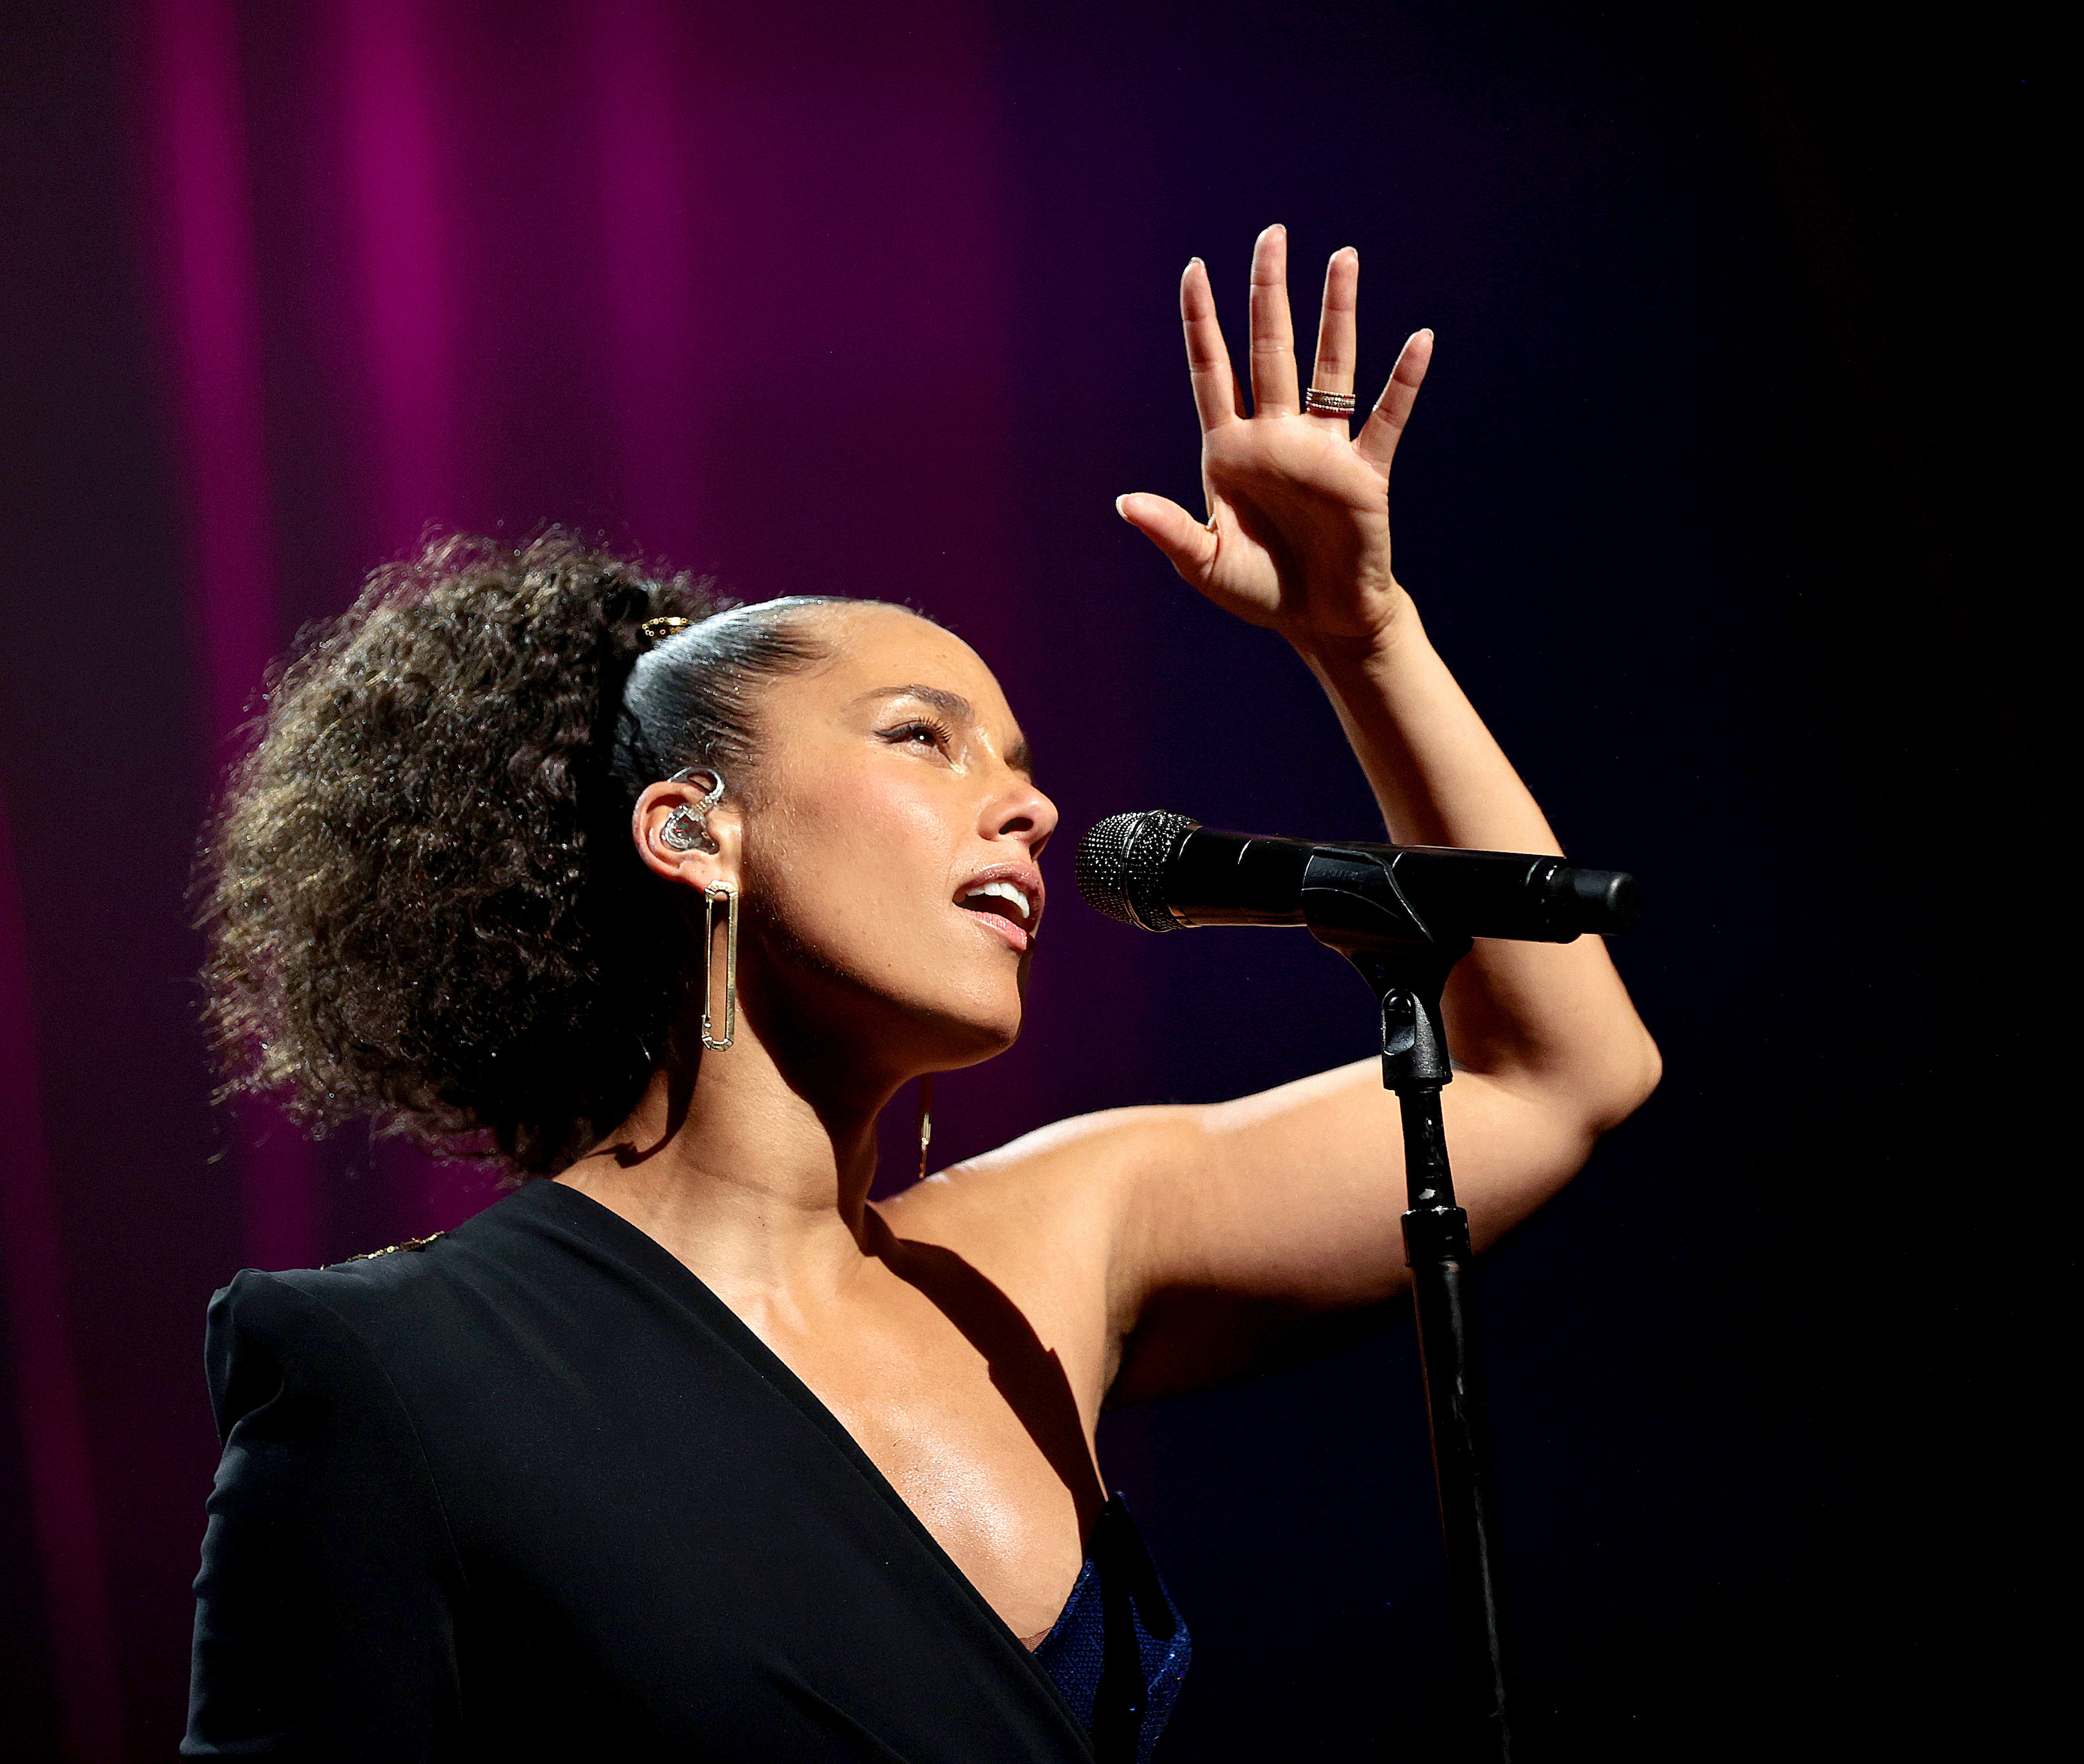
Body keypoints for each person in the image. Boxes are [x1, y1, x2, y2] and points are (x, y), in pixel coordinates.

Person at [182, 226, 1660, 1762]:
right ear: (692, 830)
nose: (1029, 807)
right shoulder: (400, 1368)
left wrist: (1363, 637)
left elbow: (1557, 1072)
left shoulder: (1051, 1242)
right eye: (921, 737)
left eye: (1019, 765)